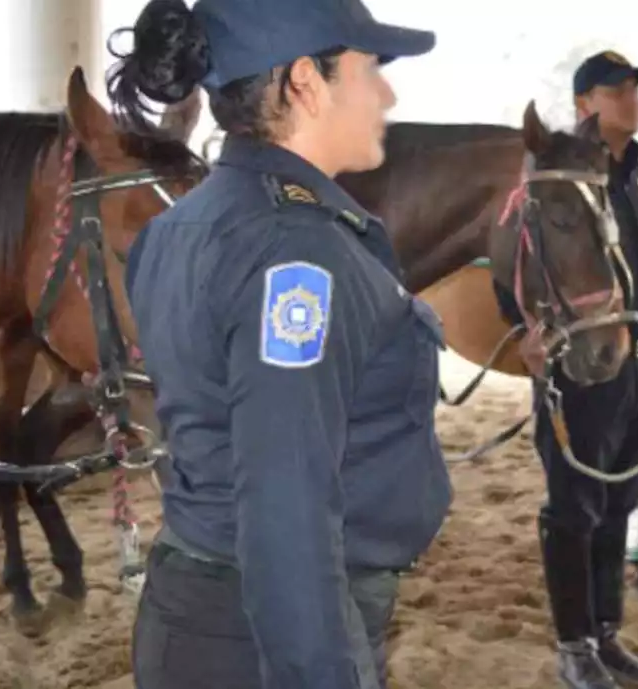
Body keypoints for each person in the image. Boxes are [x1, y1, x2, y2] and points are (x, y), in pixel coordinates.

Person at [111, 1, 450, 687]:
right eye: (369, 68)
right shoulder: (298, 251)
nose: (387, 92)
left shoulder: (186, 223)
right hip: (273, 634)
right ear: (304, 81)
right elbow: (285, 507)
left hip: (210, 612)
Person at [494, 50, 638, 689]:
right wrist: (524, 333)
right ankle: (573, 644)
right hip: (581, 368)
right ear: (585, 105)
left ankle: (606, 635)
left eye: (634, 90)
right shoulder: (555, 177)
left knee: (621, 501)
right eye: (616, 90)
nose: (631, 99)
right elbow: (509, 264)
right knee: (575, 508)